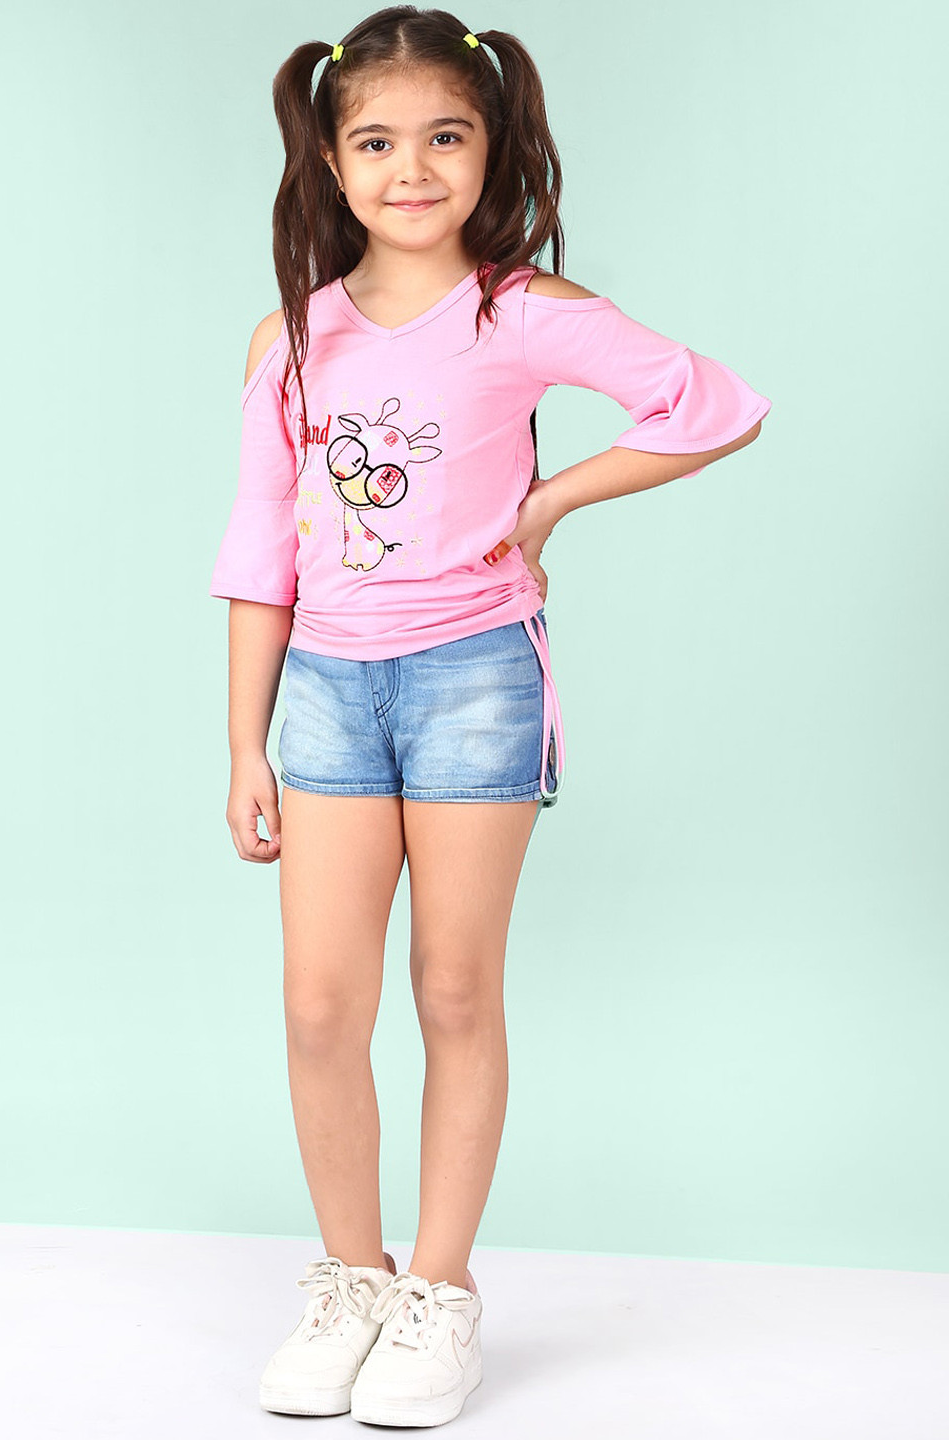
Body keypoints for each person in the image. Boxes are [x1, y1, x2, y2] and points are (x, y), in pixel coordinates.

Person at [209, 7, 771, 1428]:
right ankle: (352, 1277)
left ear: (490, 146)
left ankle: (438, 1294)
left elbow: (714, 404)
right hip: (327, 693)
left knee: (455, 991)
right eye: (377, 143)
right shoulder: (293, 338)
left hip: (475, 680)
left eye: (444, 138)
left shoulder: (520, 312)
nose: (412, 169)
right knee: (320, 1003)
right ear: (330, 161)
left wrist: (553, 498)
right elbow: (261, 550)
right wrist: (243, 744)